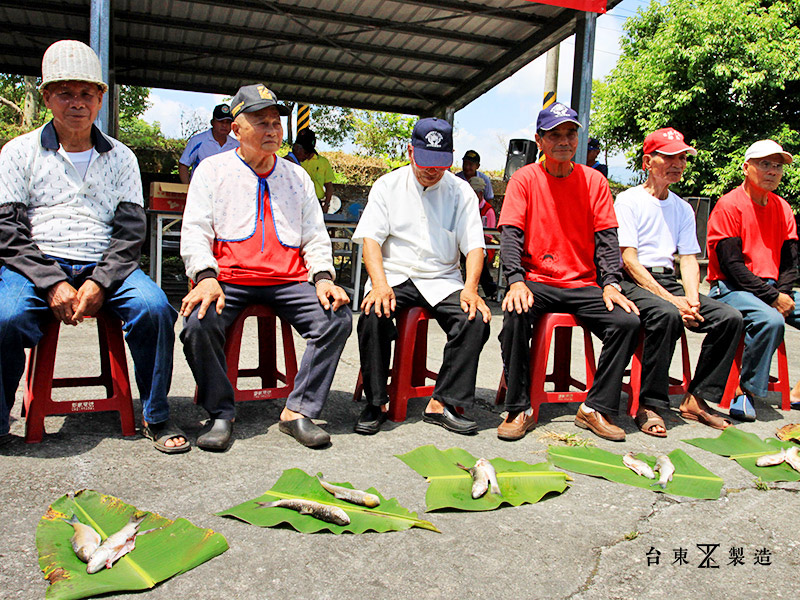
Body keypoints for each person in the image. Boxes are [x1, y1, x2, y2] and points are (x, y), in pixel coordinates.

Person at [0, 40, 182, 452]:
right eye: (65, 92)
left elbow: (131, 231)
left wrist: (100, 281)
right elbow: (8, 231)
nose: (76, 103)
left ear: (101, 98)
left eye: (87, 93)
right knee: (5, 317)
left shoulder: (122, 157)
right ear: (47, 97)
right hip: (37, 262)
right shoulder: (18, 152)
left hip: (105, 262)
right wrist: (51, 283)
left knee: (154, 309)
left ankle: (156, 415)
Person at [179, 84, 352, 451]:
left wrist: (323, 278)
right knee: (197, 323)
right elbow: (194, 231)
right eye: (261, 122)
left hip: (288, 280)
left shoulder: (297, 175)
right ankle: (221, 412)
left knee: (337, 317)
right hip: (229, 279)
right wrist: (205, 277)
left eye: (276, 122)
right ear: (237, 128)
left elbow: (315, 236)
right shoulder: (212, 171)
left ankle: (298, 410)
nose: (272, 130)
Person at [497, 103, 640, 442]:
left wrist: (611, 284)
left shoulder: (594, 181)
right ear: (539, 140)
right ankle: (520, 407)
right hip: (537, 280)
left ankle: (595, 407)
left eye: (570, 133)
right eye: (554, 135)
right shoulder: (524, 179)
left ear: (578, 138)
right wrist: (515, 280)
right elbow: (510, 235)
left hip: (583, 282)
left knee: (627, 322)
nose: (563, 140)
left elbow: (607, 238)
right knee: (515, 315)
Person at [352, 118, 491, 436]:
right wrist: (379, 284)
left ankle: (443, 402)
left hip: (442, 279)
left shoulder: (461, 193)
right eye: (426, 161)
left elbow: (474, 247)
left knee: (475, 319)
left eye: (441, 164)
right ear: (411, 151)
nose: (432, 170)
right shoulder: (388, 186)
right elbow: (371, 240)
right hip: (395, 275)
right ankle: (377, 401)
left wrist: (471, 288)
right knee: (373, 314)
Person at [615, 127, 743, 436]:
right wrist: (674, 301)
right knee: (666, 314)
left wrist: (692, 298)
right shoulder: (628, 201)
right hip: (632, 279)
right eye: (669, 157)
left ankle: (697, 398)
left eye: (682, 158)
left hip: (668, 280)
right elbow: (629, 260)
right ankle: (649, 403)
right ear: (648, 161)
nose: (678, 164)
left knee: (730, 318)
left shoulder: (683, 208)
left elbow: (687, 259)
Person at [706, 139, 800, 420]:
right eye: (764, 164)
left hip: (771, 289)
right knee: (770, 320)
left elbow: (791, 262)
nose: (772, 171)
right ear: (746, 168)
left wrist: (781, 293)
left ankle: (797, 392)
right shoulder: (730, 205)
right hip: (730, 288)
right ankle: (745, 391)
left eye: (777, 166)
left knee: (772, 313)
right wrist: (772, 298)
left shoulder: (783, 207)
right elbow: (731, 266)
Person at [178, 103, 239, 184]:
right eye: (221, 121)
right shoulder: (197, 141)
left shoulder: (237, 145)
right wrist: (187, 189)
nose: (224, 125)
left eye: (228, 122)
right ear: (212, 122)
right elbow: (183, 165)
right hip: (201, 192)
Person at [468, 176, 498, 300]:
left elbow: (488, 236)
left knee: (478, 256)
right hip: (467, 244)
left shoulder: (488, 210)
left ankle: (491, 289)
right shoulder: (466, 207)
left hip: (484, 246)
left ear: (480, 194)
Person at [293, 129, 334, 212]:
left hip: (315, 202)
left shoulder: (323, 162)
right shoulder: (292, 161)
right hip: (296, 202)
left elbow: (329, 186)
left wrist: (326, 204)